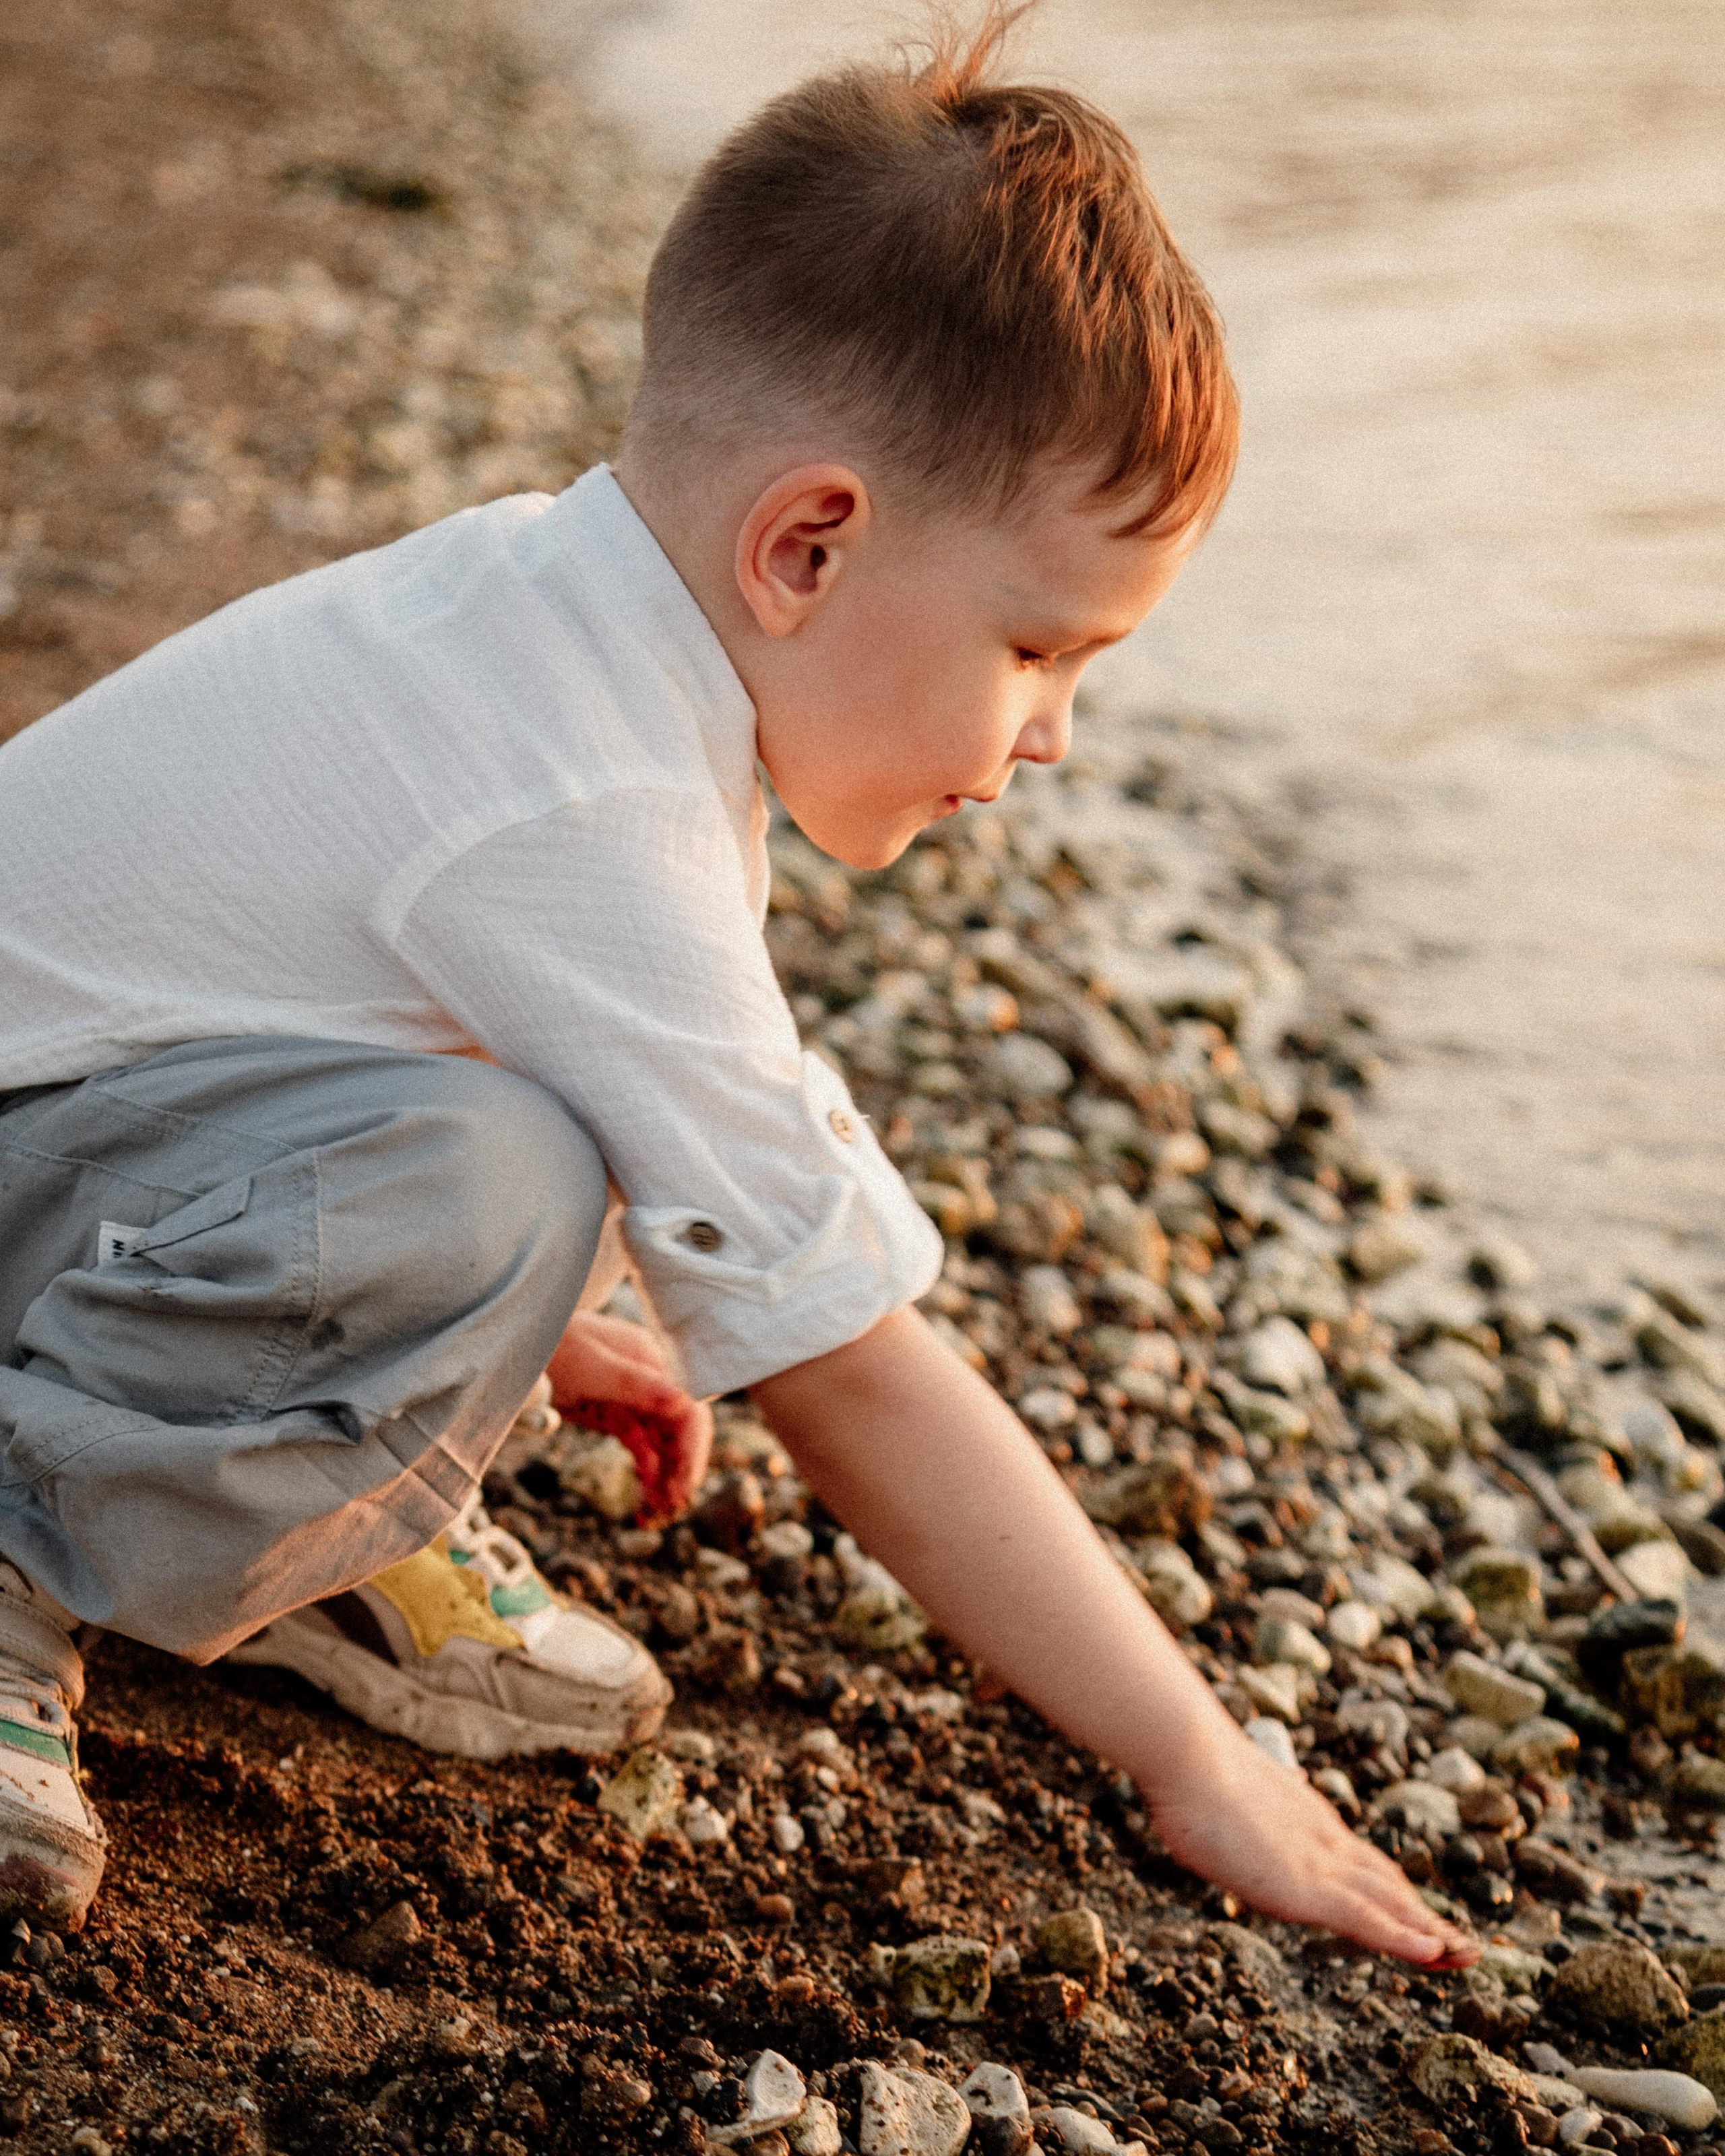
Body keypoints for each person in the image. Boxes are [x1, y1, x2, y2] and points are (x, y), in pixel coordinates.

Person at [0, 9, 1474, 1969]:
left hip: (71, 1152)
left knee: (561, 1159)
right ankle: (27, 1545)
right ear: (807, 545)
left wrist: (526, 1334)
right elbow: (843, 1360)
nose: (1053, 738)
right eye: (1042, 652)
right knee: (491, 1187)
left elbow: (326, 1026)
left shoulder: (556, 632)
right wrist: (1201, 1759)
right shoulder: (579, 797)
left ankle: (305, 1519)